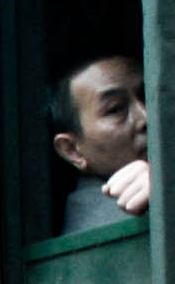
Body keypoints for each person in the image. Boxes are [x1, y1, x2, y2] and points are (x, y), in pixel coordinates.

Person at [49, 53, 152, 234]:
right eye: (115, 109)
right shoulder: (95, 223)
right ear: (72, 150)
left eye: (149, 96)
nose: (146, 117)